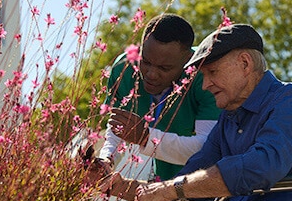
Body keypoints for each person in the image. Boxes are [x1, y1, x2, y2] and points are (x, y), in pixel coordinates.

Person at [104, 23, 292, 201]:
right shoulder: (230, 117)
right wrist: (123, 187)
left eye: (212, 72)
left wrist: (171, 190)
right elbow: (191, 173)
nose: (206, 84)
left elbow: (259, 167)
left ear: (244, 63)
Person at [89, 14, 221, 188]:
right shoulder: (124, 70)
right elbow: (120, 129)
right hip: (158, 184)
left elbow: (208, 149)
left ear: (189, 59)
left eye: (164, 68)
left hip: (205, 186)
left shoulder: (207, 77)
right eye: (146, 61)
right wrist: (106, 159)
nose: (151, 73)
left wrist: (145, 138)